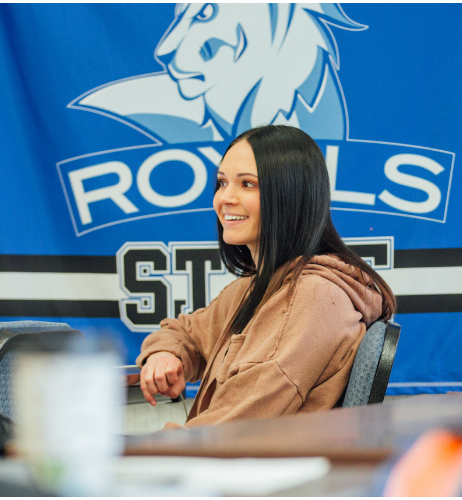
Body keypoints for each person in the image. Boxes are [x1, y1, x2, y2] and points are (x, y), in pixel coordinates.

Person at [136, 125, 396, 429]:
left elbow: (235, 426)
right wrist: (166, 355)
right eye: (222, 183)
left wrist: (144, 450)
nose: (224, 198)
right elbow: (186, 332)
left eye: (247, 184)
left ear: (291, 197)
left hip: (254, 471)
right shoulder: (258, 286)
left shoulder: (313, 296)